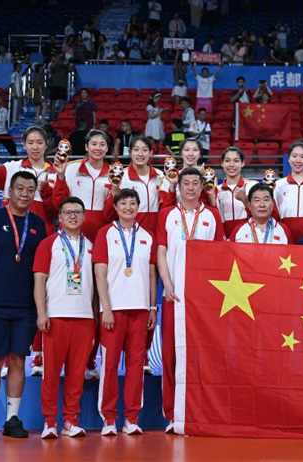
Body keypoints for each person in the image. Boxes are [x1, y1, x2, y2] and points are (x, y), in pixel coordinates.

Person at [0, 171, 48, 441]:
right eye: (20, 188)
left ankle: (12, 418)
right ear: (10, 191)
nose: (25, 194)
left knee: (18, 360)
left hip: (26, 306)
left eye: (30, 189)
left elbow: (41, 270)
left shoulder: (38, 224)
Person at [156, 168, 224, 432]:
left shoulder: (213, 215)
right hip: (174, 295)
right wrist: (167, 283)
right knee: (171, 355)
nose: (191, 188)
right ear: (179, 187)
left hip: (202, 298)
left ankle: (200, 411)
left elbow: (219, 255)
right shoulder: (167, 214)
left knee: (201, 355)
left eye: (196, 183)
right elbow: (161, 252)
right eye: (186, 183)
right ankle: (172, 413)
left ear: (202, 187)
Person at [93, 188, 157, 436]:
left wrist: (152, 307)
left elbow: (151, 275)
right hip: (114, 310)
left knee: (135, 366)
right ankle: (109, 418)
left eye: (132, 203)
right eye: (123, 203)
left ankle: (131, 417)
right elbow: (100, 273)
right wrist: (106, 308)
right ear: (116, 208)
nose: (128, 207)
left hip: (140, 309)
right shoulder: (105, 233)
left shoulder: (147, 236)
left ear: (138, 207)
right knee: (109, 366)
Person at [33, 197, 95, 439]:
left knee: (76, 374)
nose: (72, 216)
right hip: (56, 316)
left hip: (84, 318)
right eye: (67, 212)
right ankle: (50, 421)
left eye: (77, 212)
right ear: (59, 217)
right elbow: (39, 281)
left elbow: (97, 286)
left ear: (84, 216)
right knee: (51, 373)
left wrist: (95, 317)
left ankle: (70, 420)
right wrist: (42, 313)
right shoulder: (48, 244)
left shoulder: (91, 246)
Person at [0, 126, 57, 237]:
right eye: (30, 143)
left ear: (46, 145)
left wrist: (46, 191)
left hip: (42, 237)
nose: (35, 147)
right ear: (24, 145)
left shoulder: (56, 174)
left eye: (39, 143)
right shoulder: (11, 168)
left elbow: (57, 211)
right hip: (11, 235)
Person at [107, 137, 163, 234]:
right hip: (129, 233)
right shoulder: (121, 176)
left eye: (144, 150)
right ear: (130, 152)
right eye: (136, 150)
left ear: (151, 152)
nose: (140, 154)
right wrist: (115, 189)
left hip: (155, 233)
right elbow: (108, 215)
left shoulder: (159, 176)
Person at [209, 146, 255, 235]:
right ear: (222, 163)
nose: (231, 164)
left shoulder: (252, 186)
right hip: (224, 238)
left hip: (248, 237)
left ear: (243, 163)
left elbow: (260, 215)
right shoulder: (216, 190)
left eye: (236, 161)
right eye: (227, 161)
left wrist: (245, 200)